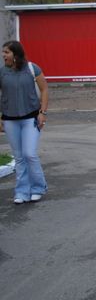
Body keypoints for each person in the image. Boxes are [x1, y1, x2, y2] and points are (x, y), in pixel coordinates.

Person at [0, 41, 48, 204]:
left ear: (15, 54)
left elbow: (44, 89)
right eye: (3, 52)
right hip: (10, 120)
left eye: (6, 52)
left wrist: (43, 112)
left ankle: (38, 188)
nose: (3, 55)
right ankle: (21, 191)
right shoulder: (2, 72)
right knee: (19, 157)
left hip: (31, 119)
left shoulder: (32, 69)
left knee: (30, 154)